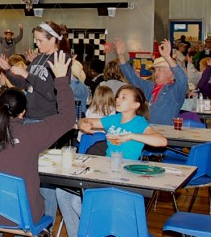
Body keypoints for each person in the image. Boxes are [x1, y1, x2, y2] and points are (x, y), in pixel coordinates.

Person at [0, 51, 75, 233]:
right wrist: (61, 79)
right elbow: (68, 118)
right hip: (25, 215)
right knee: (22, 214)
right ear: (23, 112)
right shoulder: (32, 134)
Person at [57, 84, 167, 237]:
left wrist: (130, 136)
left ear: (136, 105)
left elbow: (161, 141)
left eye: (124, 97)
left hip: (124, 175)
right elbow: (87, 120)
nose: (118, 100)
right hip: (106, 170)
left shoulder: (139, 123)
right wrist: (84, 124)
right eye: (118, 96)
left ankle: (100, 228)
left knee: (77, 201)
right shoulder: (114, 119)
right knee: (62, 192)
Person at [0, 21, 70, 122]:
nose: (37, 44)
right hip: (29, 115)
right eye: (35, 40)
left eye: (40, 40)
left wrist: (27, 75)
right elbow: (23, 84)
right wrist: (7, 70)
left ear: (52, 39)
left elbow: (52, 93)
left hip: (45, 118)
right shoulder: (39, 59)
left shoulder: (61, 59)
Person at [115, 38, 188, 125]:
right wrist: (121, 55)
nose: (155, 73)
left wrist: (167, 57)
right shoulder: (150, 87)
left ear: (170, 72)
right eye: (155, 70)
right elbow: (132, 77)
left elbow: (182, 78)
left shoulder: (176, 90)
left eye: (159, 69)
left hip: (166, 133)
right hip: (147, 131)